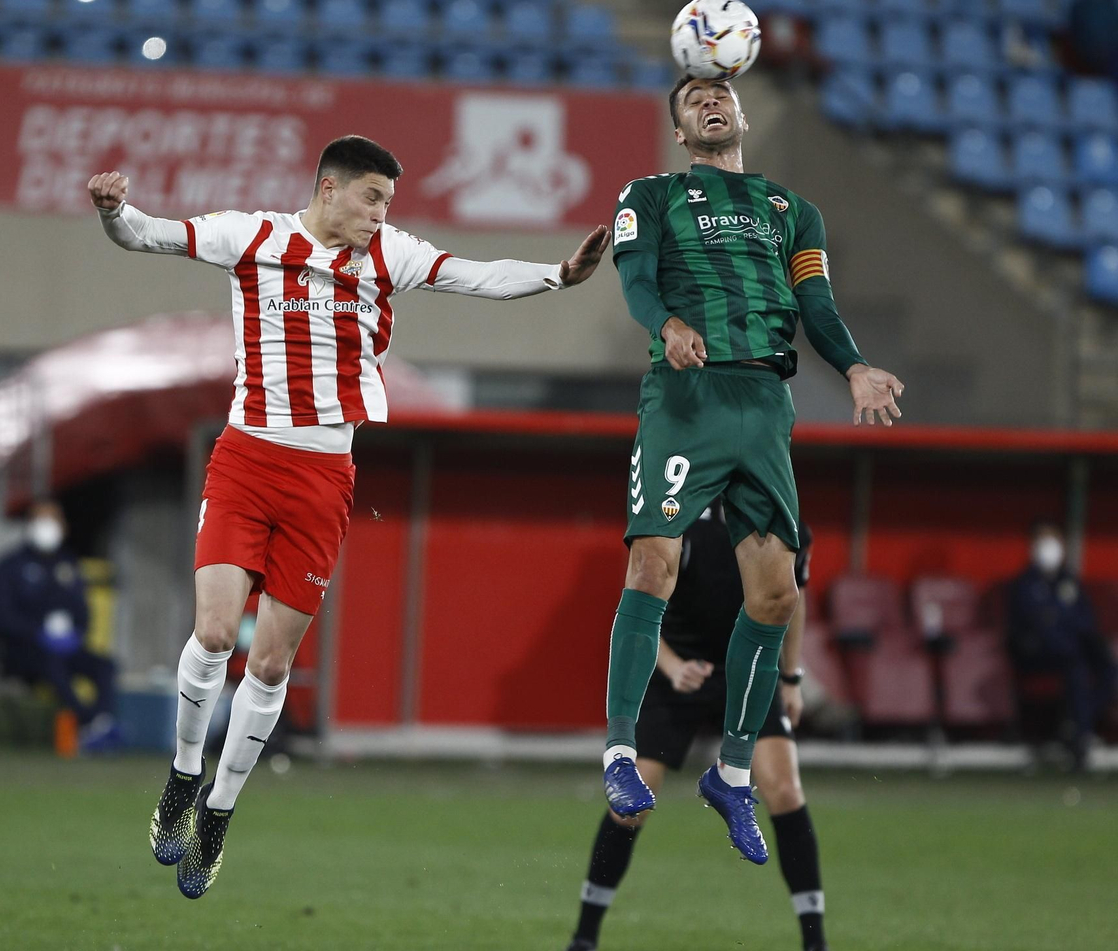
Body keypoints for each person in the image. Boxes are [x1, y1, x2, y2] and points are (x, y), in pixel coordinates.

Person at [90, 134, 611, 899]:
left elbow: (473, 276)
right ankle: (181, 777)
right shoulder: (254, 236)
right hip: (245, 459)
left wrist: (558, 276)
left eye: (387, 205)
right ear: (328, 188)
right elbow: (150, 232)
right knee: (211, 630)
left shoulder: (388, 255)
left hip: (324, 475)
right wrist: (113, 212)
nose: (379, 216)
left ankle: (220, 815)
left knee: (269, 663)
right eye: (371, 199)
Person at [602, 76, 906, 864]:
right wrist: (668, 323)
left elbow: (817, 303)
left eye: (721, 94)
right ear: (679, 128)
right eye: (694, 96)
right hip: (686, 393)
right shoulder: (650, 194)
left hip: (764, 402)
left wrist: (855, 368)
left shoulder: (792, 211)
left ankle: (732, 770)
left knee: (777, 590)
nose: (711, 101)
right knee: (652, 559)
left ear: (738, 116)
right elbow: (634, 280)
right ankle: (620, 753)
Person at [567, 510, 829, 951]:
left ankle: (815, 940)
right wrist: (671, 667)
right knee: (631, 804)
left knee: (785, 790)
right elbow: (641, 600)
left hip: (747, 673)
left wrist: (791, 678)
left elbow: (792, 598)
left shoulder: (783, 517)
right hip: (679, 671)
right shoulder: (682, 516)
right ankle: (585, 936)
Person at [0, 496, 118, 747]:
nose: (47, 525)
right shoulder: (8, 567)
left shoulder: (69, 564)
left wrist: (75, 634)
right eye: (41, 519)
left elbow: (83, 612)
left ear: (64, 525)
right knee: (51, 662)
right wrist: (37, 634)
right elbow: (1, 618)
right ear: (29, 524)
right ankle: (90, 724)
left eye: (53, 519)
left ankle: (102, 722)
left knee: (105, 665)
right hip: (22, 652)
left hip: (65, 648)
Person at [1007, 520, 1116, 770]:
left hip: (1072, 650)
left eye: (1054, 540)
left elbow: (1086, 620)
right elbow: (1034, 624)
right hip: (1037, 653)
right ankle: (1080, 740)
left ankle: (1077, 722)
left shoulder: (1070, 582)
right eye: (1043, 540)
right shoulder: (1024, 585)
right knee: (1074, 665)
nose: (1050, 547)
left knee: (1107, 666)